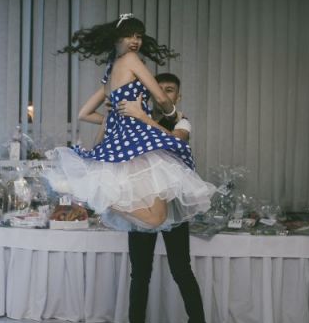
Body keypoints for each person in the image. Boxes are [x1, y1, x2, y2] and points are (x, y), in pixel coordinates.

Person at [52, 14, 214, 232]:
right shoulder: (130, 59)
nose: (135, 40)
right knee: (157, 217)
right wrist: (174, 115)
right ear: (116, 38)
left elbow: (84, 113)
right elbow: (161, 98)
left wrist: (116, 117)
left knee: (157, 218)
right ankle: (94, 195)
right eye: (129, 35)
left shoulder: (110, 72)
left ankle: (96, 197)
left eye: (138, 36)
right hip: (135, 144)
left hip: (125, 143)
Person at [97, 74, 214, 323]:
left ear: (177, 96)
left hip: (171, 206)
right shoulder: (136, 119)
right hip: (143, 203)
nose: (163, 94)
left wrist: (140, 117)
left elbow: (175, 142)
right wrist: (113, 117)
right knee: (140, 275)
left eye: (169, 90)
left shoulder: (182, 121)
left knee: (182, 272)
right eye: (158, 89)